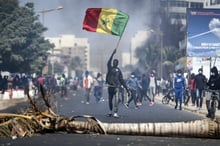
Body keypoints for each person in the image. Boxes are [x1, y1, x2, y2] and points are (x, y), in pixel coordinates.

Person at [106, 48, 130, 118]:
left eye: (116, 62)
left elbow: (122, 80)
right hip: (110, 87)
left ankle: (115, 112)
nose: (114, 63)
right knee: (110, 100)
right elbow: (108, 62)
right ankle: (110, 111)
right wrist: (113, 54)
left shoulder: (119, 70)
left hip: (117, 87)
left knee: (116, 100)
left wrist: (127, 89)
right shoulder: (110, 68)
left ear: (117, 63)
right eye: (114, 62)